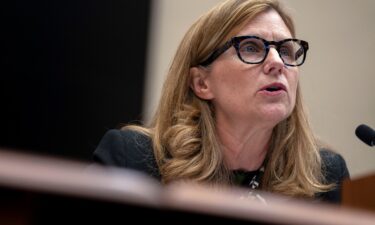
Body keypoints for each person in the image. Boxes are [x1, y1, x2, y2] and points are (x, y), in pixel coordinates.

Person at [93, 0, 349, 204]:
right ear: (202, 83)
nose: (277, 63)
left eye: (286, 50)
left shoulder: (325, 177)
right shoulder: (133, 160)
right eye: (251, 47)